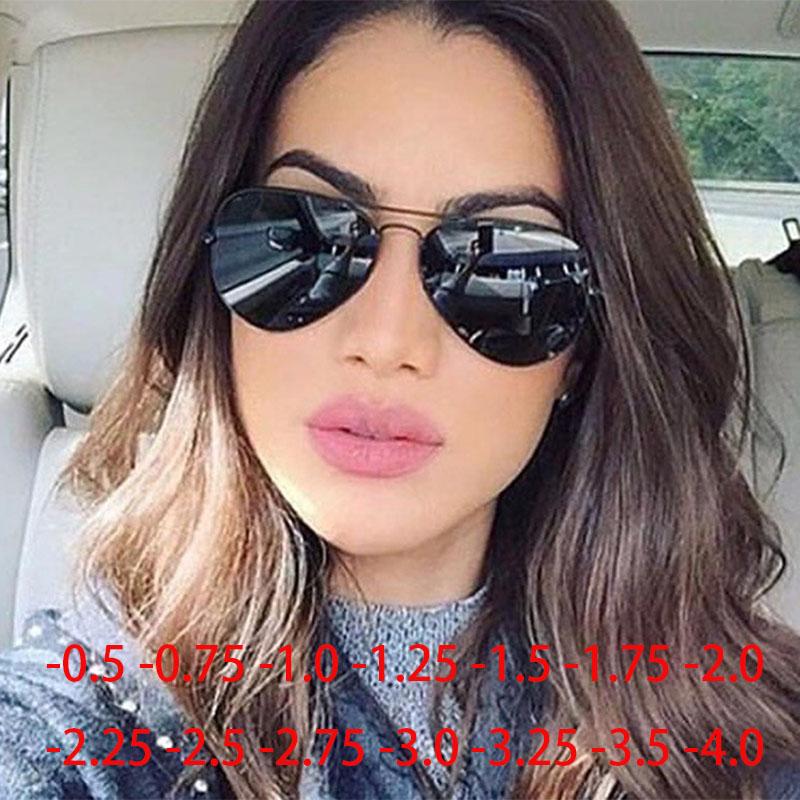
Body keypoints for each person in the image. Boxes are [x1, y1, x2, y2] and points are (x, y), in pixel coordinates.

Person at [0, 0, 799, 798]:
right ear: (213, 283)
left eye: (502, 268)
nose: (386, 339)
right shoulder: (94, 718)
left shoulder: (737, 732)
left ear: (583, 348)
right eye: (305, 235)